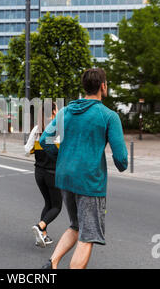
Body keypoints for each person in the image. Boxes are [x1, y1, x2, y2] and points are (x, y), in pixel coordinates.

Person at [39, 68, 128, 269]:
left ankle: (51, 264)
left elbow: (45, 141)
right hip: (89, 181)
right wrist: (121, 164)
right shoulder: (108, 116)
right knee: (88, 236)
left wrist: (62, 156)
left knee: (76, 226)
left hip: (64, 178)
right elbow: (121, 159)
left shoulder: (65, 111)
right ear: (103, 86)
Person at [24, 102, 62, 248]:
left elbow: (27, 150)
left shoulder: (37, 130)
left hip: (38, 172)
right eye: (57, 110)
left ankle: (43, 236)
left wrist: (37, 148)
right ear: (52, 113)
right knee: (57, 206)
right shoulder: (59, 130)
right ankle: (40, 226)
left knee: (48, 203)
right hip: (52, 173)